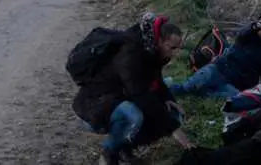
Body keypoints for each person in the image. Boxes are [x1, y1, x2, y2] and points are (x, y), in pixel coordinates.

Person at [73, 13, 194, 164]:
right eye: (172, 48)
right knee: (134, 116)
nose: (175, 53)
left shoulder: (152, 50)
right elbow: (140, 94)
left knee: (171, 113)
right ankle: (109, 152)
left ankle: (125, 147)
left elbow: (156, 80)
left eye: (178, 48)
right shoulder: (130, 54)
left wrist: (168, 99)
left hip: (122, 96)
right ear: (159, 40)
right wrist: (173, 128)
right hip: (97, 102)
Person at [170, 14, 261, 99]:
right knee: (185, 88)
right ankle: (161, 89)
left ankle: (203, 92)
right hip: (217, 70)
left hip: (232, 83)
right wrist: (254, 26)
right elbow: (242, 33)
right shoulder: (246, 38)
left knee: (235, 97)